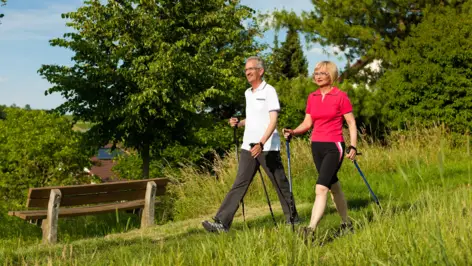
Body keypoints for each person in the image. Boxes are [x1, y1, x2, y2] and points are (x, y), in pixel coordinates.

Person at [202, 56, 299, 233]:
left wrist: (262, 143)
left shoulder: (269, 91)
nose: (247, 72)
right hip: (248, 146)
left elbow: (273, 121)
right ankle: (222, 223)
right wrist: (238, 123)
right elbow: (253, 119)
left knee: (280, 183)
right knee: (239, 183)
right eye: (246, 69)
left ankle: (292, 220)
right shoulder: (248, 93)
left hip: (267, 147)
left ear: (260, 71)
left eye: (251, 69)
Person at [283, 61, 357, 238]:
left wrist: (353, 145)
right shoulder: (312, 97)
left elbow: (351, 123)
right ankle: (346, 224)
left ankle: (310, 229)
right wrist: (294, 131)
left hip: (334, 146)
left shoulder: (340, 96)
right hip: (316, 146)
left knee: (321, 188)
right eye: (316, 73)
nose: (317, 76)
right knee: (333, 187)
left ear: (331, 75)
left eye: (322, 73)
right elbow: (308, 123)